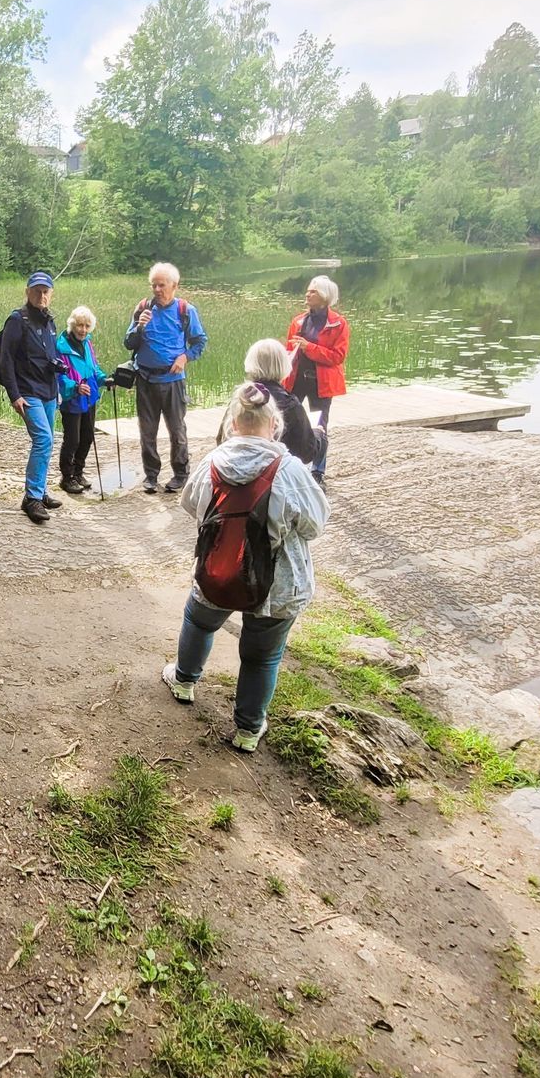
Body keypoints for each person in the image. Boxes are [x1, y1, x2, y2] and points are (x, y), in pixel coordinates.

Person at [161, 382, 329, 753]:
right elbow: (314, 525)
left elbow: (190, 505)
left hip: (218, 569)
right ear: (274, 425)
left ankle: (184, 681)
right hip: (277, 583)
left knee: (199, 620)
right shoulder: (290, 470)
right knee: (262, 656)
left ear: (233, 424)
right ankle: (248, 730)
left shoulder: (212, 462)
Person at [123, 262, 208, 493]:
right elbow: (128, 342)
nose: (157, 290)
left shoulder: (185, 310)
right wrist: (139, 327)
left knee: (177, 430)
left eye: (161, 285)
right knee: (147, 431)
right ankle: (151, 476)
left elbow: (200, 341)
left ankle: (180, 474)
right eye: (154, 285)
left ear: (174, 285)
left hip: (173, 381)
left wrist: (185, 357)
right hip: (145, 379)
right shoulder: (143, 308)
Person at [0, 271, 65, 524]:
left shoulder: (49, 322)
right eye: (37, 291)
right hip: (27, 392)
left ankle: (41, 491)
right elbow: (6, 360)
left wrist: (58, 390)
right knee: (43, 439)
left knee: (49, 440)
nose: (41, 296)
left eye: (45, 292)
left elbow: (50, 358)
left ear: (51, 294)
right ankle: (31, 498)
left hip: (48, 392)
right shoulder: (17, 320)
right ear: (27, 292)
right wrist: (14, 395)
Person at [283, 274, 349, 487]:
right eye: (308, 290)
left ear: (324, 296)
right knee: (287, 422)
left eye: (313, 291)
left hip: (321, 384)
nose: (307, 294)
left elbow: (337, 357)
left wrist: (308, 347)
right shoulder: (298, 321)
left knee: (318, 426)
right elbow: (289, 351)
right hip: (296, 381)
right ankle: (288, 466)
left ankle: (318, 472)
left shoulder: (338, 324)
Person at [240, 338, 323, 468]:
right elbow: (306, 453)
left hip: (242, 467)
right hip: (278, 472)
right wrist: (317, 434)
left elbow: (222, 440)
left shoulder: (239, 400)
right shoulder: (290, 404)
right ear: (284, 365)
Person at [54, 305, 108, 494]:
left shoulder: (87, 343)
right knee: (72, 440)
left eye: (86, 326)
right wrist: (75, 387)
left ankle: (78, 473)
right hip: (72, 399)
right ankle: (67, 478)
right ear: (72, 325)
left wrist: (104, 379)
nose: (83, 330)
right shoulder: (61, 347)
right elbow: (59, 377)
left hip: (89, 396)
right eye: (79, 325)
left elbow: (94, 368)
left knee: (87, 436)